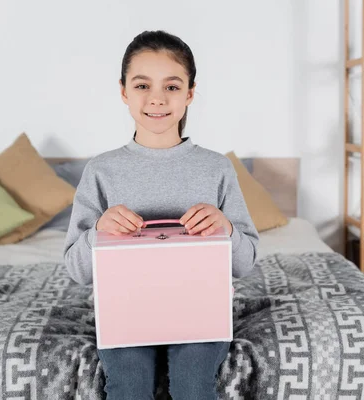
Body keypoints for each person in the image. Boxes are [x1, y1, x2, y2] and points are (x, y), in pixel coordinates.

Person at [63, 30, 259, 400]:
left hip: (202, 311)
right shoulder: (101, 171)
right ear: (123, 92)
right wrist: (97, 233)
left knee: (192, 385)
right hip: (125, 311)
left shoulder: (217, 168)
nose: (156, 98)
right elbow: (76, 269)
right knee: (129, 385)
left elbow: (245, 263)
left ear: (189, 93)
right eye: (142, 85)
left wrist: (226, 228)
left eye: (171, 87)